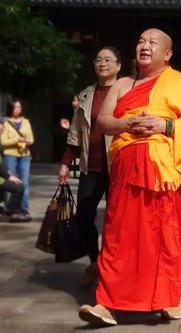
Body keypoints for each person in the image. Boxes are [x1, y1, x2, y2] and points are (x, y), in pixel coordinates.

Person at [77, 28, 181, 326]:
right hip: (126, 167)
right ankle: (108, 304)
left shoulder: (177, 82)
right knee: (118, 237)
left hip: (162, 172)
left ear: (167, 54)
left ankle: (168, 296)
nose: (145, 46)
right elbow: (103, 121)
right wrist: (127, 121)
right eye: (141, 40)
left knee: (162, 236)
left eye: (153, 43)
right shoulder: (123, 84)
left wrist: (164, 126)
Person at [57, 46, 121, 287]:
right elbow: (74, 133)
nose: (102, 64)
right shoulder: (86, 94)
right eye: (98, 60)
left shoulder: (126, 92)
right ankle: (95, 261)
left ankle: (112, 269)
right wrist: (65, 164)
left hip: (117, 167)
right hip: (90, 166)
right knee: (84, 216)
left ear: (118, 66)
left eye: (108, 60)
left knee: (116, 222)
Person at [0, 99, 34, 218]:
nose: (17, 109)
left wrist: (26, 140)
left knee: (25, 182)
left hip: (24, 154)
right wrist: (17, 140)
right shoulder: (5, 122)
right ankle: (11, 208)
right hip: (10, 154)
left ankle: (24, 208)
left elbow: (31, 139)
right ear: (11, 109)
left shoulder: (26, 122)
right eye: (15, 107)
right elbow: (4, 141)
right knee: (12, 181)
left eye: (19, 107)